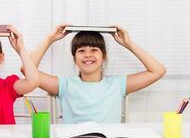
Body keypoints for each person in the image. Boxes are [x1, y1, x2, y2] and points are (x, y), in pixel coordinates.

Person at [26, 24, 166, 123]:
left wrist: (128, 43)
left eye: (94, 50)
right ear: (74, 58)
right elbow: (27, 70)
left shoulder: (117, 85)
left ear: (104, 56)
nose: (87, 55)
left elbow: (158, 71)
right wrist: (49, 39)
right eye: (81, 51)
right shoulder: (64, 85)